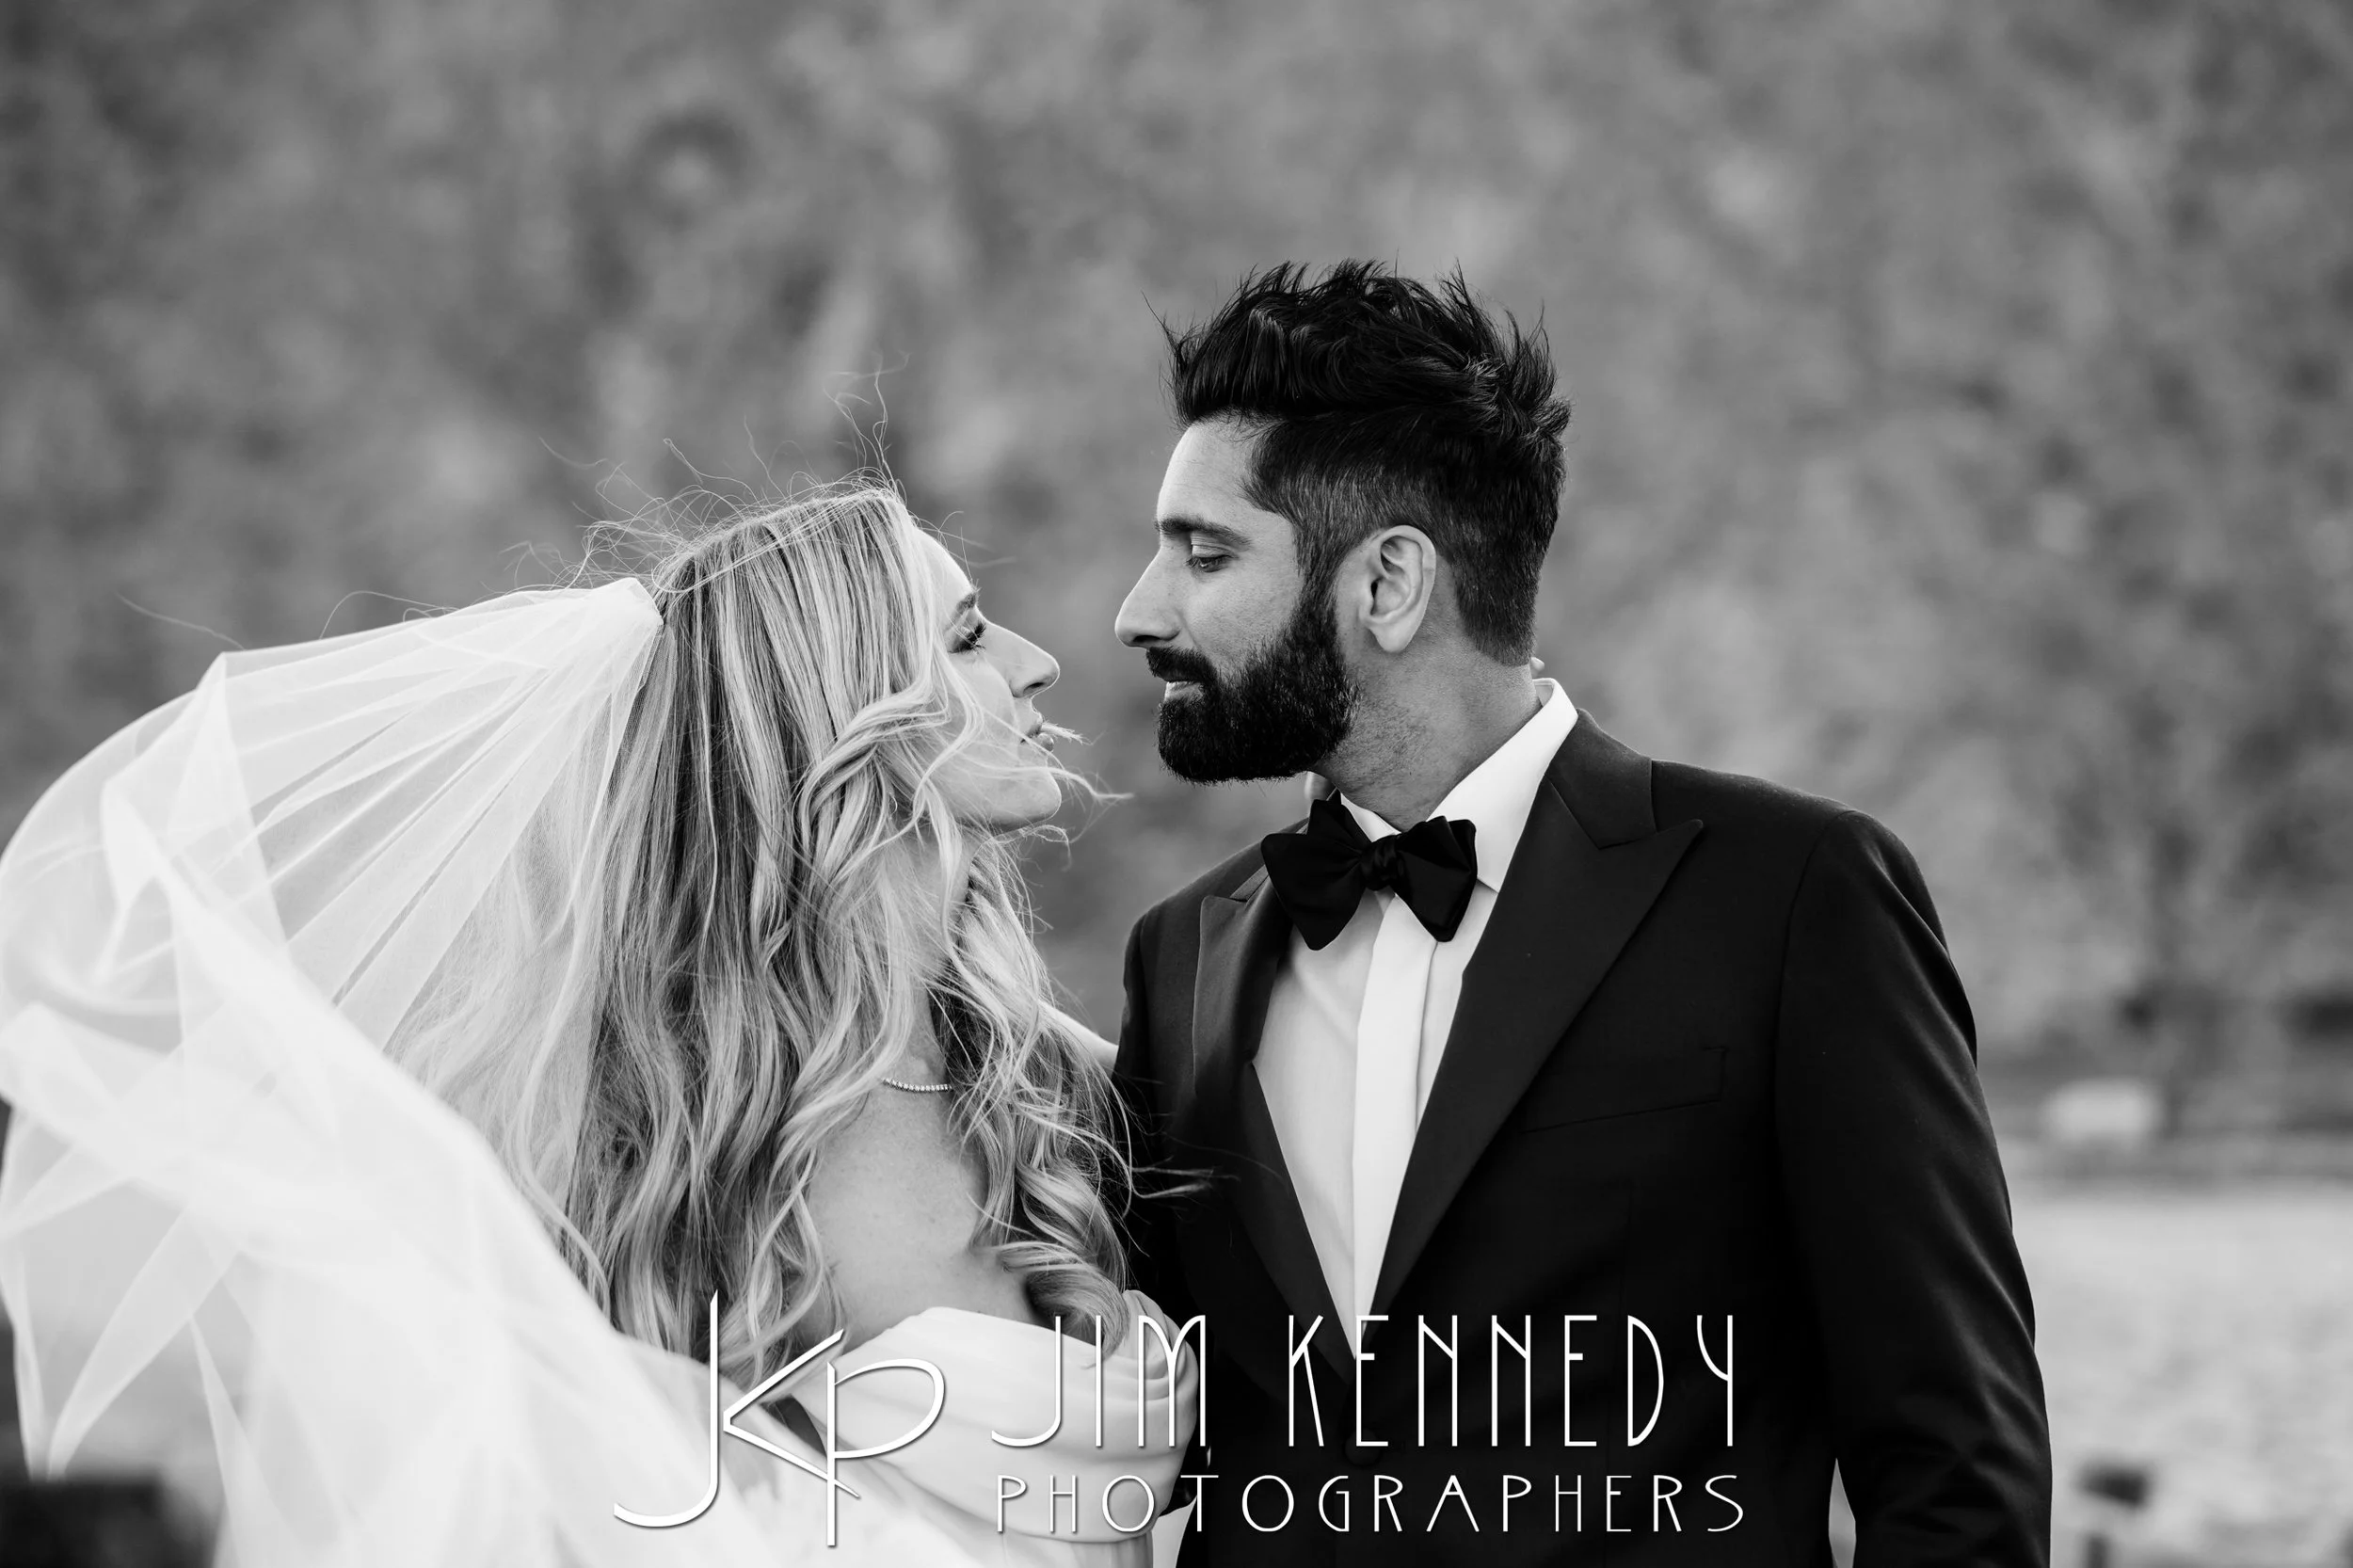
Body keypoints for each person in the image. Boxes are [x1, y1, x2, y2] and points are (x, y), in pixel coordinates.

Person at [0, 482, 1195, 1566]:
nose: (1038, 664)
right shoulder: (657, 1126)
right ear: (842, 709)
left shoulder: (1046, 1077)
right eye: (968, 637)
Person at [1111, 263, 2051, 1565]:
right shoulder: (1179, 956)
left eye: (1205, 553)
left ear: (1388, 584)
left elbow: (1956, 1464)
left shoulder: (1793, 897)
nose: (1139, 611)